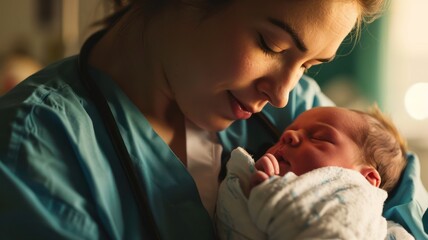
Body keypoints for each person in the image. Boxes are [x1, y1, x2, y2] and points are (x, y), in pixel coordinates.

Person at [0, 0, 426, 239]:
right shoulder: (36, 144)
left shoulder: (302, 113)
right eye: (271, 45)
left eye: (309, 65)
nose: (281, 94)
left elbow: (396, 175)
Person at [216, 105, 415, 240]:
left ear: (367, 179)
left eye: (319, 137)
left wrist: (271, 197)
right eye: (285, 133)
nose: (289, 135)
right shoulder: (251, 175)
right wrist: (251, 190)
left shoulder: (357, 199)